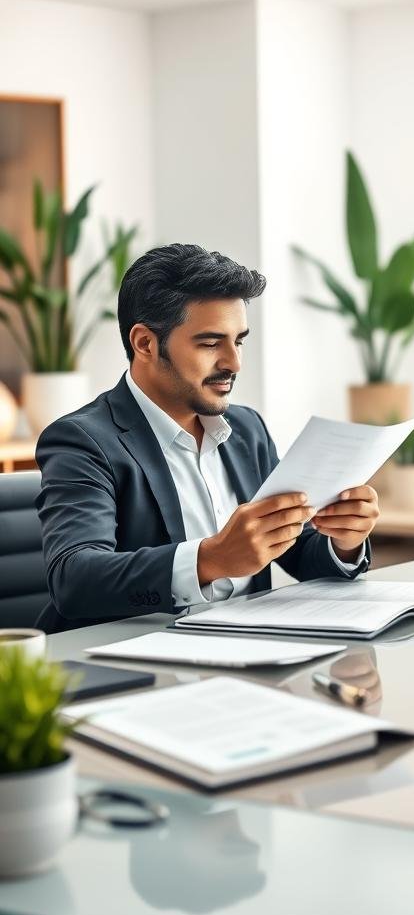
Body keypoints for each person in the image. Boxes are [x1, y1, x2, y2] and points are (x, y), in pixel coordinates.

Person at [34, 244, 379, 633]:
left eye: (239, 340)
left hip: (244, 654)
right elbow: (75, 578)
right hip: (132, 667)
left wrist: (344, 540)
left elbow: (299, 552)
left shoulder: (247, 429)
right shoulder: (82, 440)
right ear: (145, 343)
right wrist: (210, 559)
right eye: (211, 343)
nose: (233, 362)